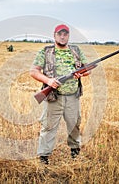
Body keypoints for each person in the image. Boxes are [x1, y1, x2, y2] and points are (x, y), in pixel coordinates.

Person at [30, 24, 90, 164]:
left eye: (65, 34)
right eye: (60, 34)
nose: (62, 37)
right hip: (53, 97)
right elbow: (33, 71)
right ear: (54, 35)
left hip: (73, 96)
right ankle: (44, 158)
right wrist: (48, 81)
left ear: (68, 36)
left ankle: (75, 152)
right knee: (48, 126)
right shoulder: (46, 51)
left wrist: (81, 72)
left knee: (74, 125)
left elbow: (88, 69)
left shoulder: (76, 50)